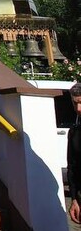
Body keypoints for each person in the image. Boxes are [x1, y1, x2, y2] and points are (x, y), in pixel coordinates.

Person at [68, 83, 81, 224]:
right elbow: (72, 166)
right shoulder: (74, 132)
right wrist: (74, 199)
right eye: (75, 103)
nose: (78, 109)